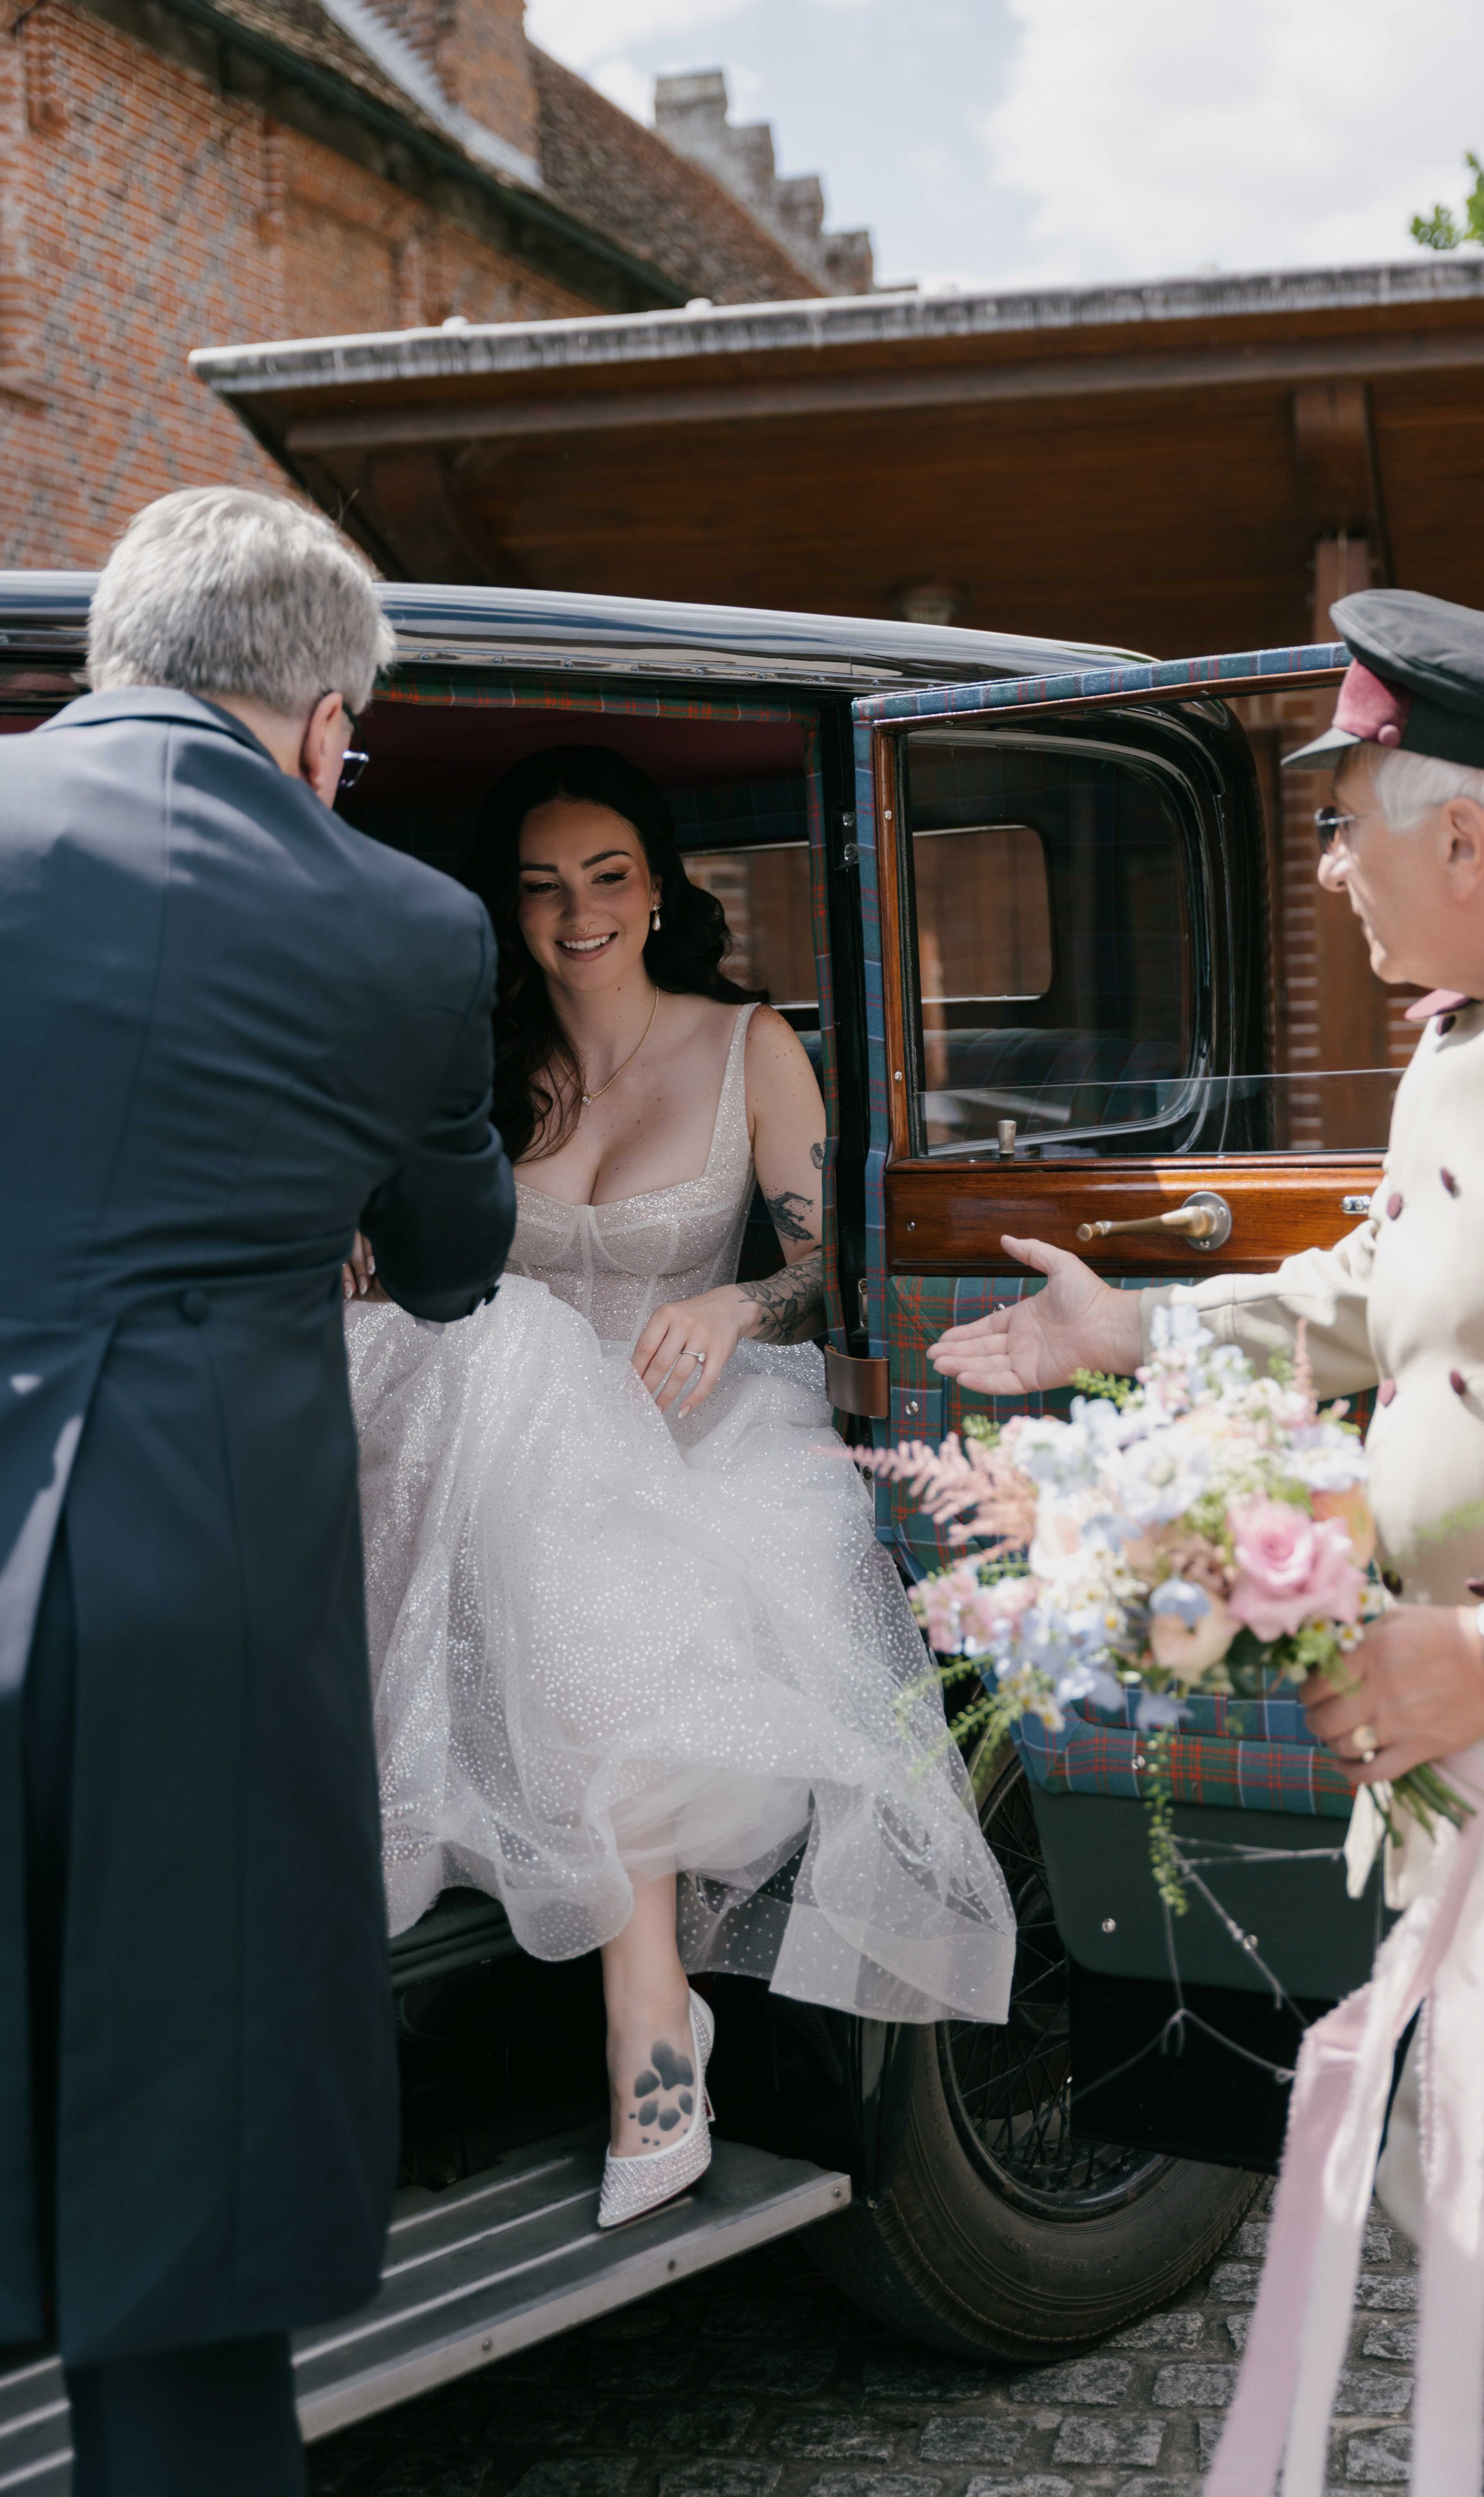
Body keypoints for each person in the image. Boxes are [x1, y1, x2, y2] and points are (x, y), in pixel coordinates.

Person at [930, 588, 1484, 2497]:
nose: (1324, 870)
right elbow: (1406, 1287)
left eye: (1343, 818)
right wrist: (1135, 1332)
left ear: (1465, 836)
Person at [0, 488, 515, 2494]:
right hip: (197, 1574)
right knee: (185, 2167)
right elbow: (456, 1257)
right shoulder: (401, 922)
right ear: (320, 717)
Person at [344, 744, 1015, 2230]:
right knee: (492, 1349)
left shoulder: (743, 1043)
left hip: (691, 1432)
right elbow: (434, 1248)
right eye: (538, 887)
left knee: (597, 1556)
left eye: (603, 876)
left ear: (654, 890)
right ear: (506, 912)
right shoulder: (475, 1061)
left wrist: (735, 1309)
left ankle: (651, 2029)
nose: (574, 911)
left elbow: (834, 1256)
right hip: (498, 1452)